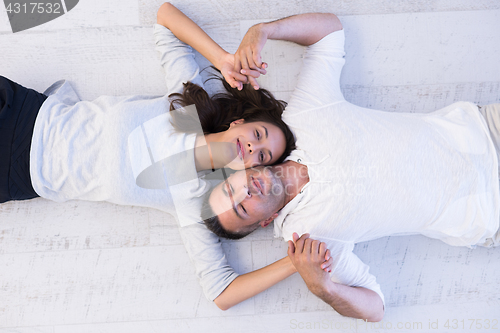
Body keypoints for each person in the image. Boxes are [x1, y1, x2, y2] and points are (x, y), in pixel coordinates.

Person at [200, 11, 500, 322]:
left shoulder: (303, 117)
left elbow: (329, 33)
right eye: (241, 208)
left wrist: (263, 30)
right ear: (264, 222)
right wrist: (324, 287)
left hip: (484, 131)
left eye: (231, 188)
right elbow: (376, 308)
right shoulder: (309, 241)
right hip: (488, 214)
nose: (245, 192)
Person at [0, 3, 297, 216]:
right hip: (28, 115)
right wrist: (222, 60)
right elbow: (165, 17)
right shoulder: (191, 109)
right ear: (239, 122)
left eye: (262, 155)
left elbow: (219, 289)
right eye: (258, 134)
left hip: (21, 175)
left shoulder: (197, 197)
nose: (251, 146)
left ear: (252, 169)